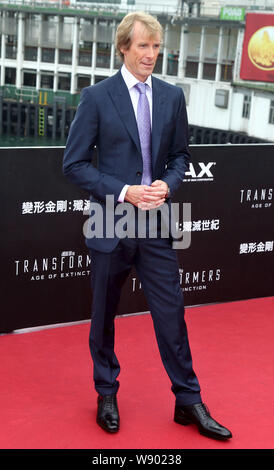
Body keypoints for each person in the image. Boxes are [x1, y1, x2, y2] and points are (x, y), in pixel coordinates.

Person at [63, 12, 232, 441]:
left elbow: (180, 158)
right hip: (110, 217)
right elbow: (75, 165)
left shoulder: (172, 97)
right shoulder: (97, 97)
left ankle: (188, 400)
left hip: (157, 221)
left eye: (156, 47)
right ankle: (106, 393)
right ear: (123, 47)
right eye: (143, 46)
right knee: (103, 315)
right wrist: (124, 192)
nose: (151, 55)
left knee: (171, 314)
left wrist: (166, 184)